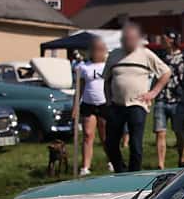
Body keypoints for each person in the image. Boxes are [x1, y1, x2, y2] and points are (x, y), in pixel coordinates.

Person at [101, 22, 171, 172]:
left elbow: (166, 72)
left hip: (138, 104)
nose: (129, 42)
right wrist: (107, 100)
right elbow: (106, 80)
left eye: (132, 39)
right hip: (116, 104)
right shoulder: (114, 55)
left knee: (135, 144)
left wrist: (153, 93)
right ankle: (120, 170)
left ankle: (134, 173)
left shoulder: (145, 54)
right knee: (111, 143)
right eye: (126, 39)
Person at [151, 34, 184, 169]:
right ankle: (160, 165)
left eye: (164, 38)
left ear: (172, 39)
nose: (161, 41)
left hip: (179, 100)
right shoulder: (159, 57)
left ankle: (181, 158)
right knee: (160, 132)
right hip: (161, 98)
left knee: (179, 131)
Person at [71, 38, 108, 175]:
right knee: (87, 134)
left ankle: (111, 160)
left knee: (105, 136)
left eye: (100, 49)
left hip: (104, 103)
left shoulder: (107, 66)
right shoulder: (83, 67)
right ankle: (85, 167)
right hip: (88, 103)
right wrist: (76, 106)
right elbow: (79, 88)